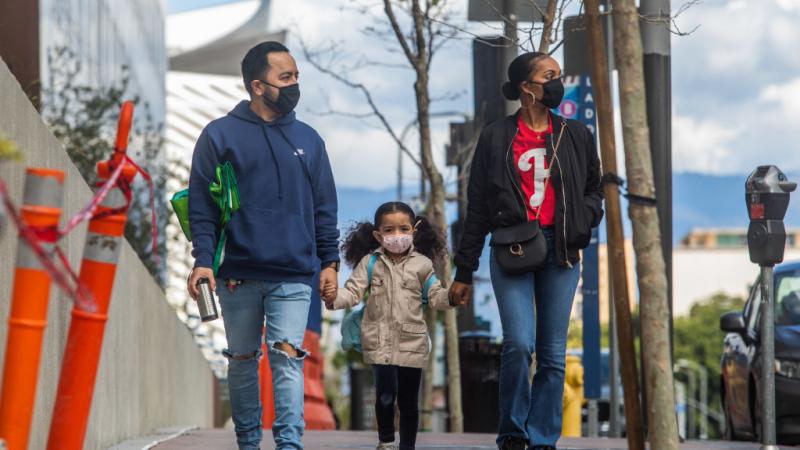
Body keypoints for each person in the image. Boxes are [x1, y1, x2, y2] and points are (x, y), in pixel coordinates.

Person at [186, 41, 340, 450]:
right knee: (241, 361)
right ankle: (249, 443)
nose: (293, 86)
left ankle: (289, 445)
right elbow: (201, 206)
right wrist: (203, 261)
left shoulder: (310, 140)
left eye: (295, 77)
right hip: (237, 271)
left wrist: (330, 262)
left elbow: (325, 207)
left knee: (287, 358)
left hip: (293, 272)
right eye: (284, 78)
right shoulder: (219, 136)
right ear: (257, 85)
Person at [449, 52, 604, 450]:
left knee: (552, 356)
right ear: (526, 88)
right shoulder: (496, 136)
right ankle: (513, 434)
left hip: (562, 252)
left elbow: (594, 188)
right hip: (512, 249)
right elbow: (478, 205)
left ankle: (542, 440)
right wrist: (463, 271)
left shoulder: (576, 134)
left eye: (559, 75)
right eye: (549, 76)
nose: (557, 82)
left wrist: (585, 219)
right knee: (519, 344)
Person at [324, 202, 461, 450]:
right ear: (378, 235)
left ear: (414, 231)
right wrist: (334, 298)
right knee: (385, 396)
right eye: (389, 230)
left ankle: (407, 446)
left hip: (412, 342)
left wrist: (451, 297)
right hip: (380, 342)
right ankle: (386, 441)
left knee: (409, 401)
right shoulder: (370, 263)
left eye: (403, 228)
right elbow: (352, 293)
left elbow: (436, 296)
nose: (397, 235)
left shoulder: (423, 265)